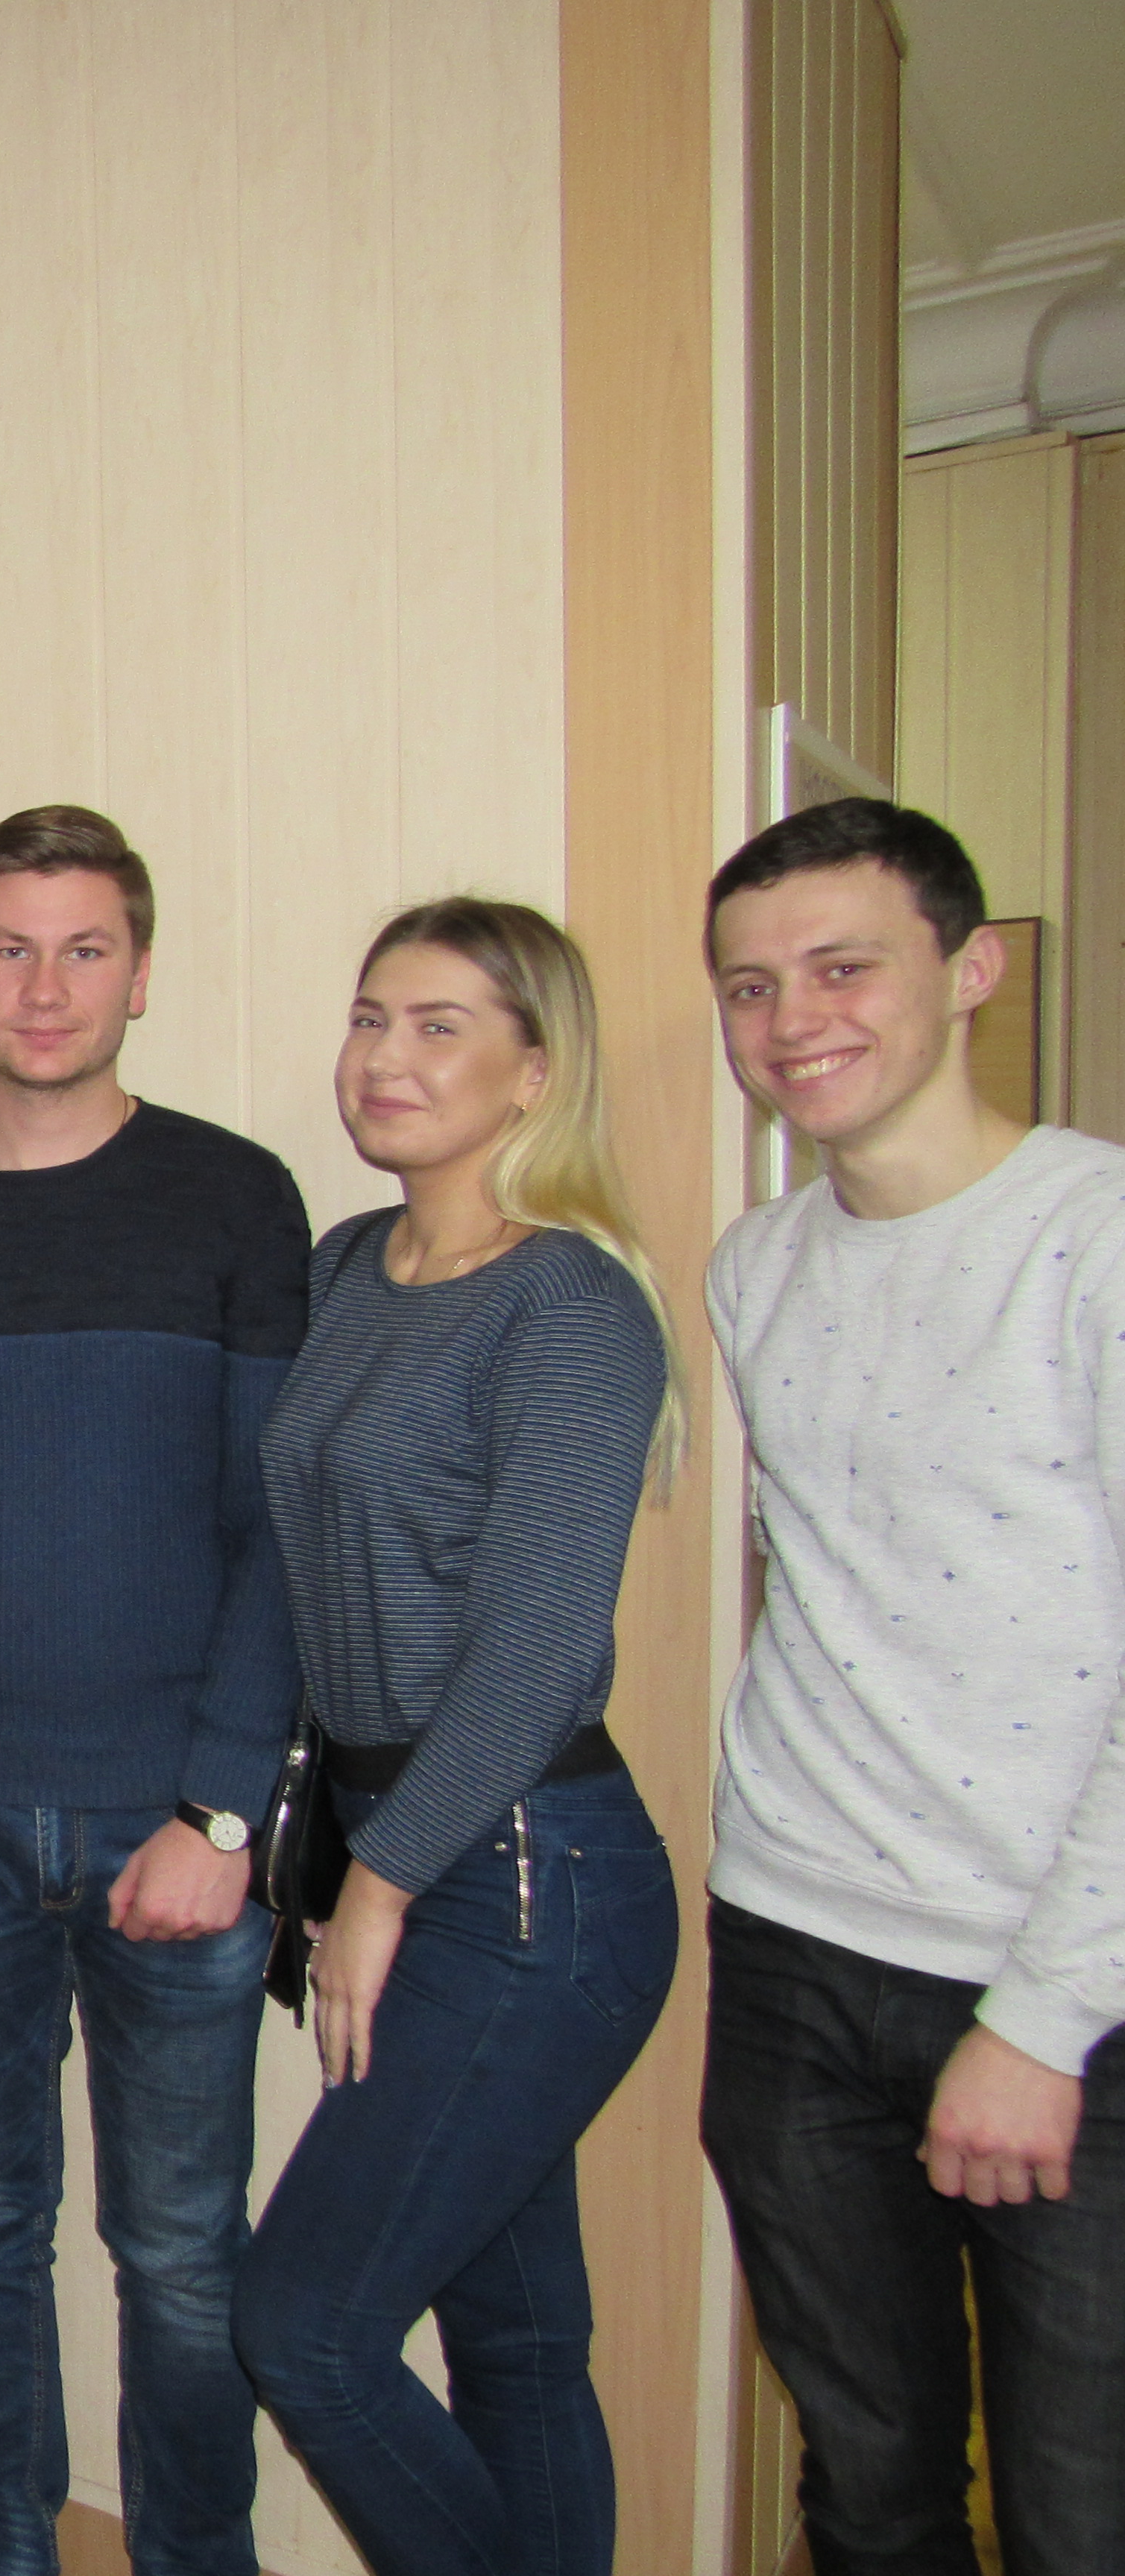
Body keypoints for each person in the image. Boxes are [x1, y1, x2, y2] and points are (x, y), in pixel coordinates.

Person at [0, 806, 307, 2576]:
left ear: (139, 975)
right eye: (9, 947)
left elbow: (277, 1529)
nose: (43, 985)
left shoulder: (236, 1195)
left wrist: (223, 1810)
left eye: (85, 948)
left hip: (177, 1826)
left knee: (181, 2252)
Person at [696, 800, 1125, 2576]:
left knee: (1081, 2511)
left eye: (842, 967)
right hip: (792, 1955)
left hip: (1062, 1977)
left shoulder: (1096, 1238)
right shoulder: (756, 1266)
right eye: (750, 985)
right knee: (867, 2491)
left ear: (972, 969)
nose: (792, 1018)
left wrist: (1040, 2018)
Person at [230, 900, 684, 2576]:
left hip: (527, 1876)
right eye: (370, 1018)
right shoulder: (347, 1267)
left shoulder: (568, 1303)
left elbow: (538, 1649)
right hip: (407, 1848)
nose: (384, 1058)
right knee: (516, 2340)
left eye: (437, 1027)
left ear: (533, 1072)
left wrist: (383, 1886)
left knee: (304, 2329)